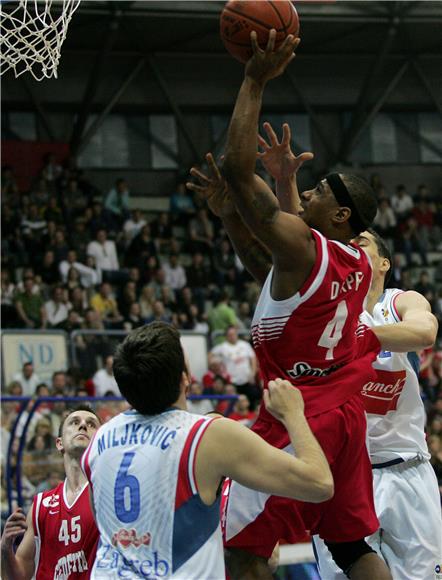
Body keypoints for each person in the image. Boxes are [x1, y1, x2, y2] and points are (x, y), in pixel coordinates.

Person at [188, 32, 391, 579]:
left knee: (244, 549)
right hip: (345, 415)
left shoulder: (307, 247)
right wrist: (238, 213)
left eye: (322, 188)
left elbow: (234, 166)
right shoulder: (352, 261)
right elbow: (267, 268)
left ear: (342, 215)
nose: (312, 190)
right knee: (351, 547)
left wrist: (255, 78)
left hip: (301, 416)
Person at [81, 322, 333, 579]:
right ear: (185, 378)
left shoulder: (99, 438)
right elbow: (319, 483)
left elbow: (105, 518)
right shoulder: (207, 435)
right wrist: (293, 414)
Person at [313, 229, 441, 580]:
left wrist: (361, 338)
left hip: (406, 469)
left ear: (383, 263)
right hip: (345, 476)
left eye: (363, 242)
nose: (353, 245)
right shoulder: (326, 313)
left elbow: (425, 332)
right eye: (347, 244)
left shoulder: (398, 302)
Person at [0, 406, 101, 579]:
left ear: (100, 441)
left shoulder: (106, 494)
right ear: (59, 443)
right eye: (75, 422)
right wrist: (5, 548)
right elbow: (18, 576)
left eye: (91, 424)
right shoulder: (41, 505)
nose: (83, 425)